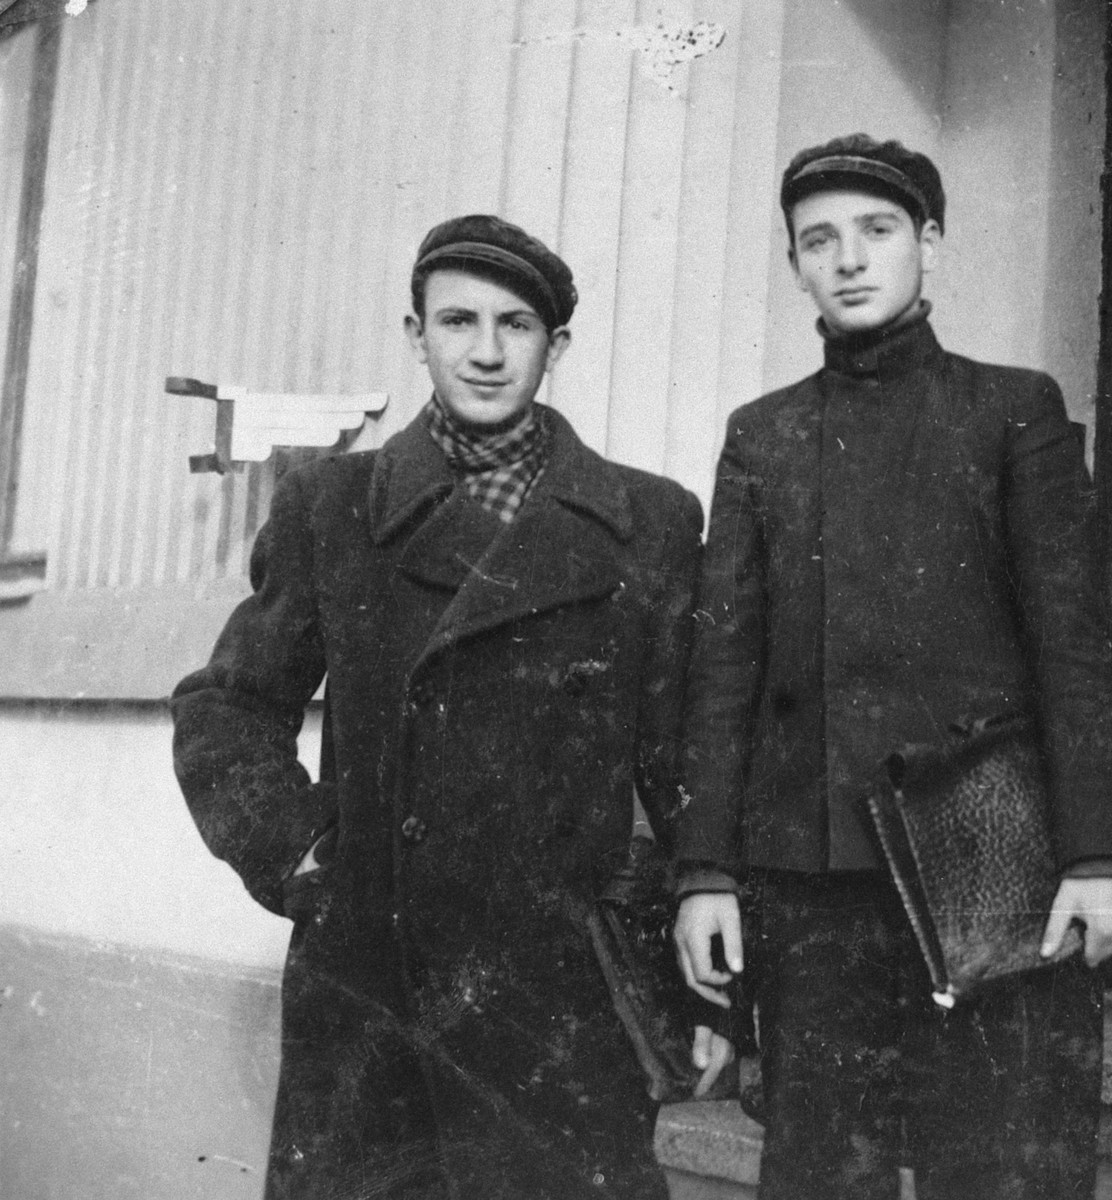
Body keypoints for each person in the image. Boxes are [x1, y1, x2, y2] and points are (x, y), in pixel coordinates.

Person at [172, 214, 721, 1199]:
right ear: (414, 332)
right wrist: (300, 848)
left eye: (516, 325)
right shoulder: (331, 506)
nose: (484, 350)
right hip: (372, 985)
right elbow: (228, 708)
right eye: (457, 320)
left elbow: (690, 763)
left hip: (562, 999)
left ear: (555, 347)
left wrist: (695, 968)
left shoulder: (652, 520)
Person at [673, 135, 1112, 1199]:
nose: (849, 260)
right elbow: (722, 671)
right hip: (813, 880)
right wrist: (705, 871)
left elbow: (1075, 646)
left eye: (877, 232)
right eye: (818, 241)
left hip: (992, 870)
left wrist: (1104, 854)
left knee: (1003, 1172)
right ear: (795, 264)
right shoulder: (765, 437)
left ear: (929, 244)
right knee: (819, 1175)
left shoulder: (1012, 410)